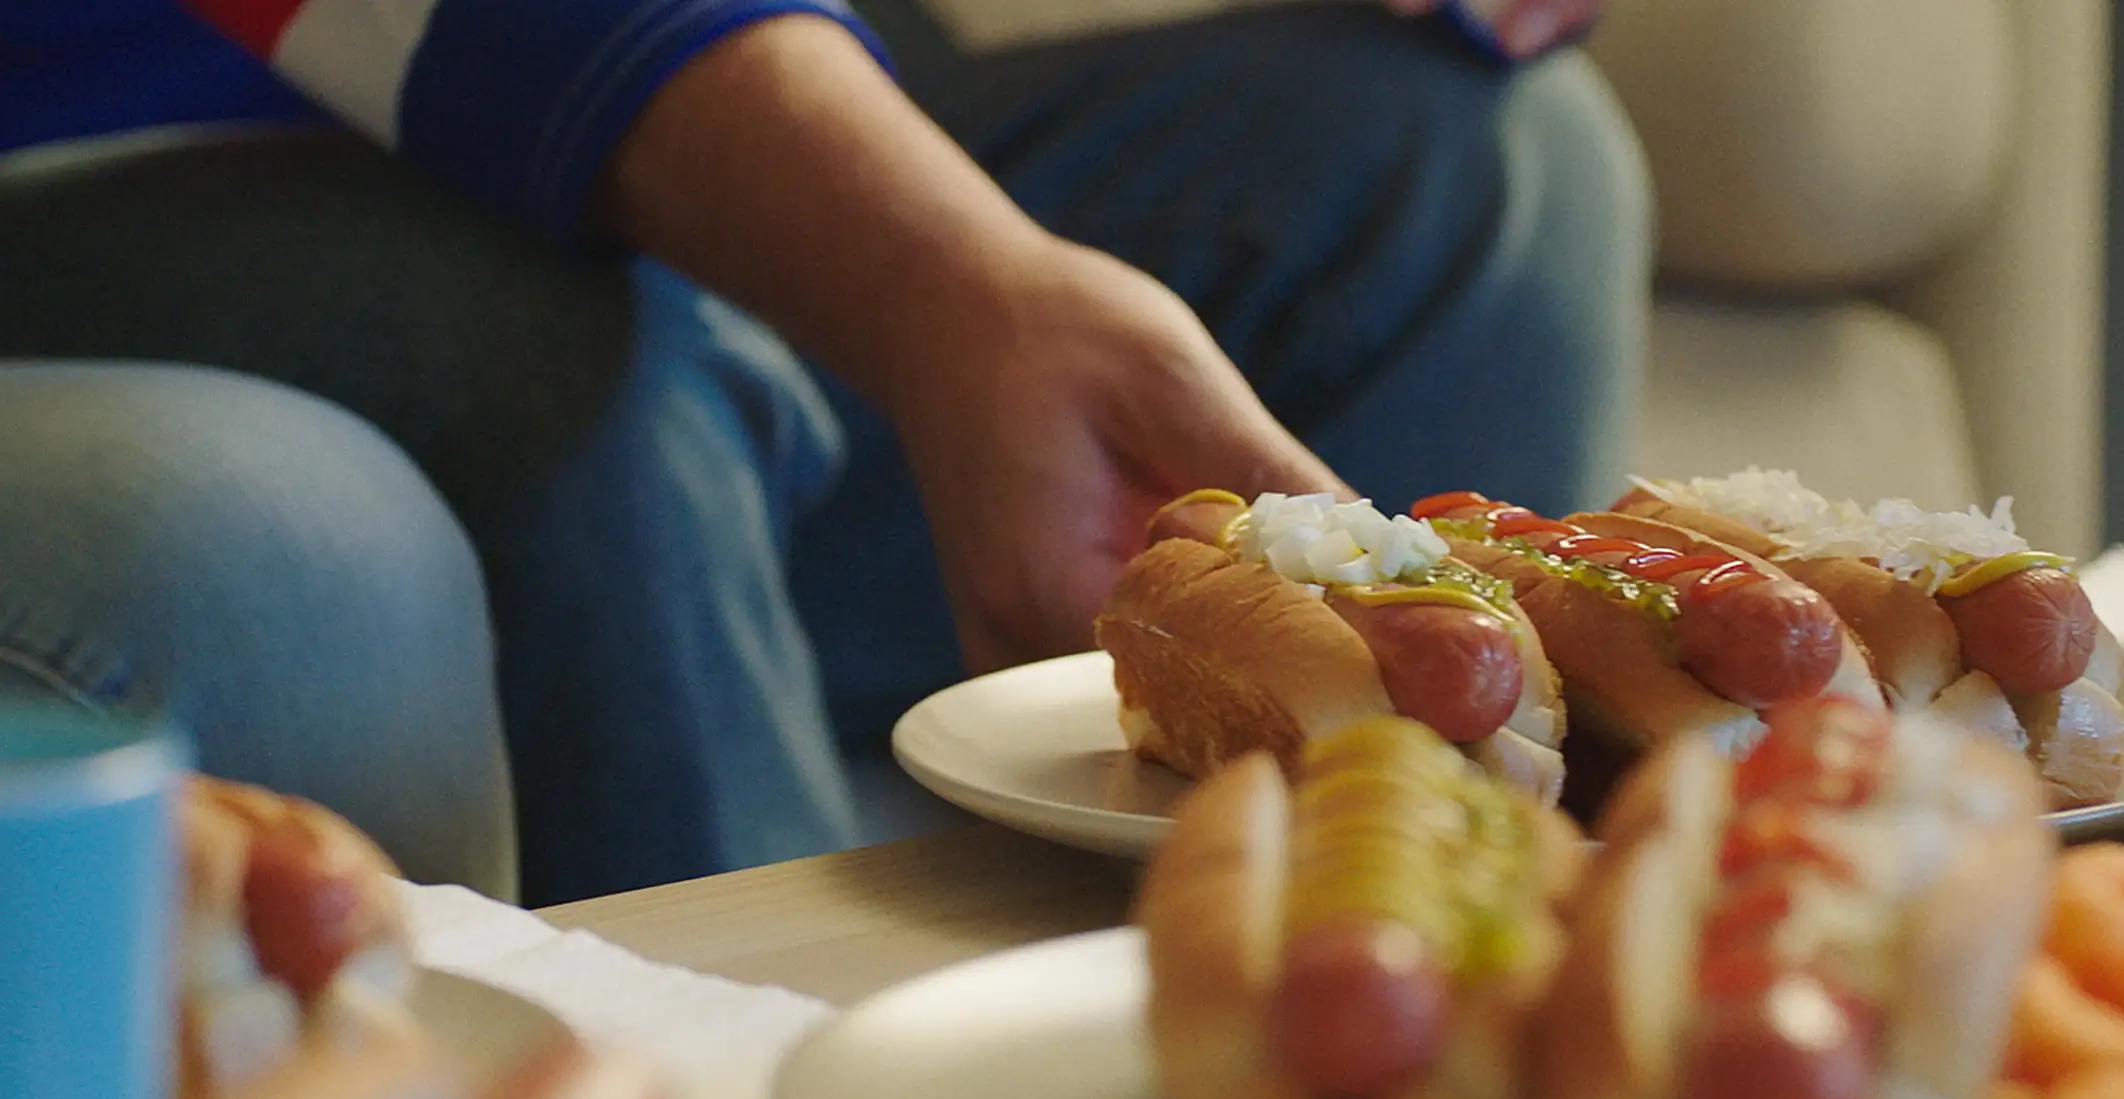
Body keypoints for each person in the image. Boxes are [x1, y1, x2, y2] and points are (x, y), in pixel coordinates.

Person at [0, 0, 1649, 905]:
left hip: (743, 67)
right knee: (568, 341)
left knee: (1475, 170)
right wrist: (943, 286)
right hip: (100, 147)